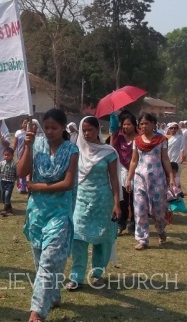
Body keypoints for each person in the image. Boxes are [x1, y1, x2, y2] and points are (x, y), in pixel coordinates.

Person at [17, 108, 78, 322]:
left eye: (55, 127)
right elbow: (21, 173)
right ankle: (53, 294)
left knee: (50, 259)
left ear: (63, 128)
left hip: (59, 212)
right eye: (47, 127)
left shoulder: (71, 150)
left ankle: (37, 311)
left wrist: (39, 186)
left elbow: (68, 183)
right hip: (36, 213)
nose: (50, 131)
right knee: (40, 259)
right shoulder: (37, 145)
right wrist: (28, 145)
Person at [66, 116, 120, 290]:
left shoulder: (109, 152)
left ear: (98, 130)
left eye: (90, 130)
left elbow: (114, 179)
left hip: (103, 201)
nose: (87, 133)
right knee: (78, 238)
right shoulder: (77, 151)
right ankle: (76, 277)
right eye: (84, 130)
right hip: (81, 200)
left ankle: (97, 274)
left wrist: (116, 203)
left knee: (102, 241)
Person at [126, 113, 175, 250]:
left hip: (157, 180)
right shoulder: (137, 141)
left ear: (154, 124)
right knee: (140, 210)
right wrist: (129, 179)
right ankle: (142, 240)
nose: (144, 126)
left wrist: (171, 177)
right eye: (141, 124)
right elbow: (134, 160)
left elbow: (165, 159)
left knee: (158, 211)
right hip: (140, 179)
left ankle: (160, 230)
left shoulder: (161, 140)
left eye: (147, 123)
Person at [110, 111, 138, 236]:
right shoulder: (120, 138)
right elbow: (111, 149)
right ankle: (121, 224)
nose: (126, 127)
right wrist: (112, 135)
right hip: (122, 171)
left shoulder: (139, 138)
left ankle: (134, 224)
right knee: (123, 200)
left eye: (129, 124)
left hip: (137, 171)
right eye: (124, 124)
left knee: (135, 200)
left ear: (134, 125)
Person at [0, 147, 17, 217]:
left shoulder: (14, 164)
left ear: (12, 156)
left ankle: (5, 210)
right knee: (3, 196)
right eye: (5, 155)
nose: (6, 156)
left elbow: (16, 174)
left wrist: (18, 182)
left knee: (7, 195)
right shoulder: (2, 163)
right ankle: (10, 208)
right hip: (3, 181)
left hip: (10, 182)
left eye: (8, 155)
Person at [13, 117, 30, 194]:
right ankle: (21, 187)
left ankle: (26, 187)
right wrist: (11, 152)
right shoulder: (18, 132)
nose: (25, 124)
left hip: (28, 152)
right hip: (20, 153)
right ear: (22, 124)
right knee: (20, 168)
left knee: (27, 168)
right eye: (24, 123)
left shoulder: (29, 133)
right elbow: (15, 144)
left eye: (27, 123)